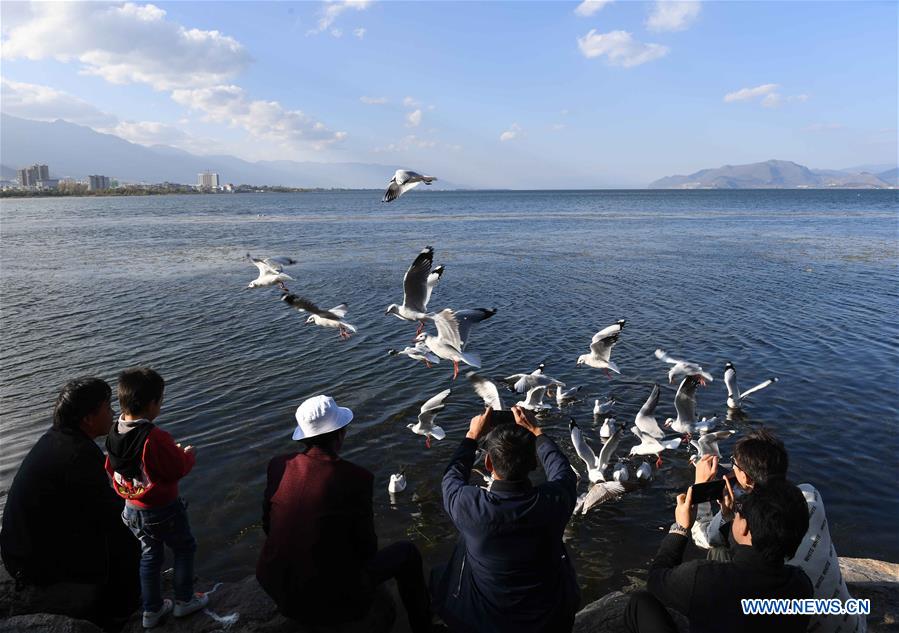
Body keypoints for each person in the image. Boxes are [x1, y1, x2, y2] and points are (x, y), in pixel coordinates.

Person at [256, 394, 431, 632]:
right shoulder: (355, 478)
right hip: (329, 601)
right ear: (340, 434)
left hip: (274, 584)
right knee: (407, 553)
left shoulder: (278, 465)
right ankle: (424, 628)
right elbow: (366, 549)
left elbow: (268, 524)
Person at [691, 429, 867, 632]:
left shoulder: (749, 526)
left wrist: (701, 487)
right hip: (853, 626)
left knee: (717, 551)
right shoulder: (810, 493)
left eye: (734, 463)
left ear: (746, 479)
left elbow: (704, 536)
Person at [0, 377, 140, 631]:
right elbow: (111, 514)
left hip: (18, 554)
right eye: (107, 408)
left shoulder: (56, 439)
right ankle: (122, 613)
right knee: (130, 536)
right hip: (36, 568)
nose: (113, 413)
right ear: (88, 418)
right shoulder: (78, 455)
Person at [431, 407, 580, 633]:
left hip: (485, 623)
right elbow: (562, 471)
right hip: (551, 619)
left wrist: (472, 436)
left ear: (488, 464)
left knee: (452, 557)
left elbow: (452, 476)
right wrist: (536, 431)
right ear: (533, 463)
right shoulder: (555, 500)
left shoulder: (469, 505)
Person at [625, 479, 814, 633]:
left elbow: (657, 579)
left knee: (640, 603)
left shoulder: (704, 579)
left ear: (746, 527)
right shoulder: (801, 585)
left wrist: (680, 529)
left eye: (739, 514)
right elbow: (749, 555)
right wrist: (729, 516)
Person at [104, 367, 208, 628]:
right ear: (152, 404)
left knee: (150, 555)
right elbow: (175, 470)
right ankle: (184, 601)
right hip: (162, 508)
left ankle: (151, 610)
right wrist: (187, 455)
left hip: (131, 508)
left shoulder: (114, 430)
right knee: (184, 548)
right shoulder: (155, 437)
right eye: (160, 400)